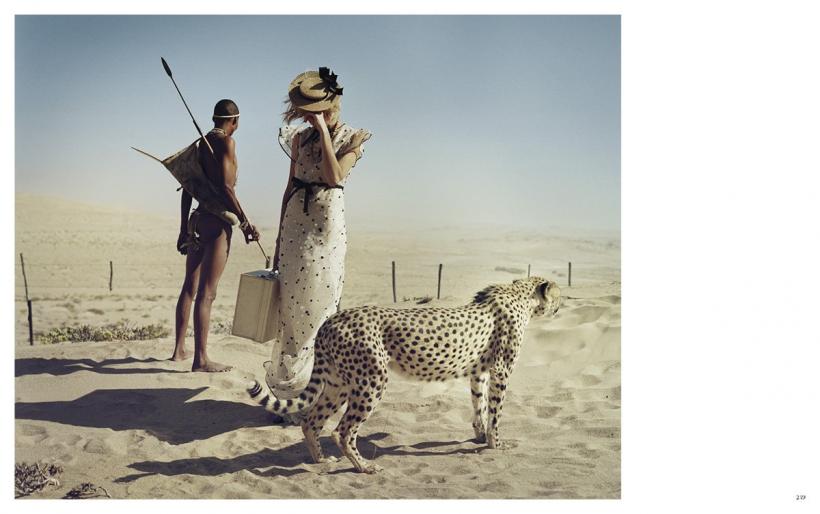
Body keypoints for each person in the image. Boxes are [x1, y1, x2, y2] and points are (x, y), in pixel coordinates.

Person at [264, 67, 371, 419]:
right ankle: (290, 395)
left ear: (329, 108)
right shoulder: (298, 139)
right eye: (305, 113)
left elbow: (334, 176)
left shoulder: (353, 138)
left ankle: (315, 397)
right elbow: (290, 186)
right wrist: (279, 236)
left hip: (327, 231)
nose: (307, 118)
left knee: (321, 309)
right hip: (296, 227)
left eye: (314, 113)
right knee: (292, 311)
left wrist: (325, 133)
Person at [171, 99, 260, 372]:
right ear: (234, 121)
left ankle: (179, 351)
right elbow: (226, 188)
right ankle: (201, 359)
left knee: (189, 287)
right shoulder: (227, 143)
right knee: (207, 294)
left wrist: (183, 228)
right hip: (217, 223)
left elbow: (188, 187)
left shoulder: (201, 145)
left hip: (197, 220)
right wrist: (245, 222)